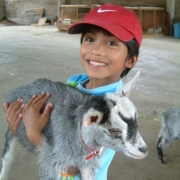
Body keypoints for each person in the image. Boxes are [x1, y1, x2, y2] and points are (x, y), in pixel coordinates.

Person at [4, 4, 142, 180]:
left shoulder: (113, 112)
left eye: (111, 43)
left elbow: (74, 168)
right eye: (90, 39)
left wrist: (34, 135)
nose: (95, 50)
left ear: (130, 60)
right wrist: (21, 123)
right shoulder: (75, 83)